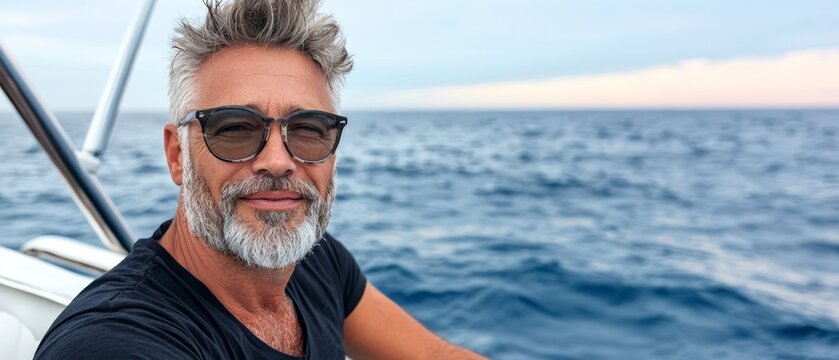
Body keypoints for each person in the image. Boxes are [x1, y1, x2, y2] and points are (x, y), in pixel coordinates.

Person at [34, 0, 484, 358]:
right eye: (233, 128)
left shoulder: (317, 264)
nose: (276, 161)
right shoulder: (116, 344)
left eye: (308, 129)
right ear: (177, 155)